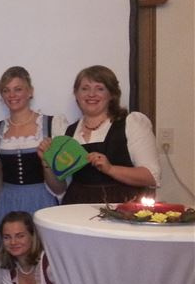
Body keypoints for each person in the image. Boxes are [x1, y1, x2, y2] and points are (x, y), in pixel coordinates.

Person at [39, 65, 160, 204]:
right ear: (76, 94)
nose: (91, 94)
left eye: (100, 88)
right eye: (85, 88)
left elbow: (151, 177)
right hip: (76, 207)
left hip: (122, 208)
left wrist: (111, 169)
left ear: (112, 95)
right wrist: (47, 163)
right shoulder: (67, 133)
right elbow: (59, 189)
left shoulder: (131, 124)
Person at [0, 66, 68, 243]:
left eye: (18, 89)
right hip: (8, 201)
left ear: (30, 91)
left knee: (41, 250)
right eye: (6, 90)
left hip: (42, 199)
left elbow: (61, 184)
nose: (12, 95)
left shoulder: (52, 124)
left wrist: (46, 162)